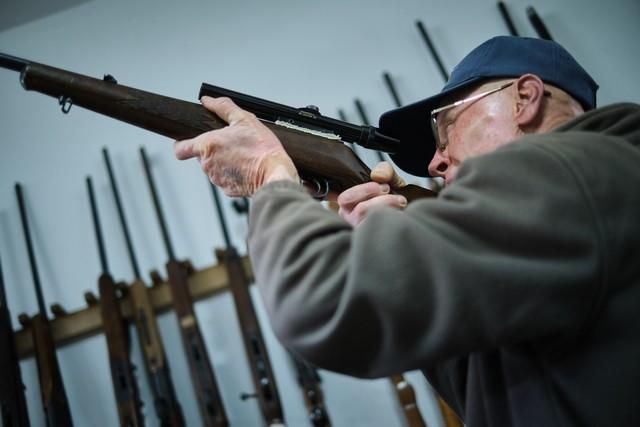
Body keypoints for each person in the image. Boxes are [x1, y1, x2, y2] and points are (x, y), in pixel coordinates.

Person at [174, 36, 640, 426]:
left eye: (446, 127)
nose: (435, 162)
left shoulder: (572, 173)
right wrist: (399, 244)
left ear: (525, 98)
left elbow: (321, 304)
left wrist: (268, 176)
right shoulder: (594, 191)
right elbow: (491, 398)